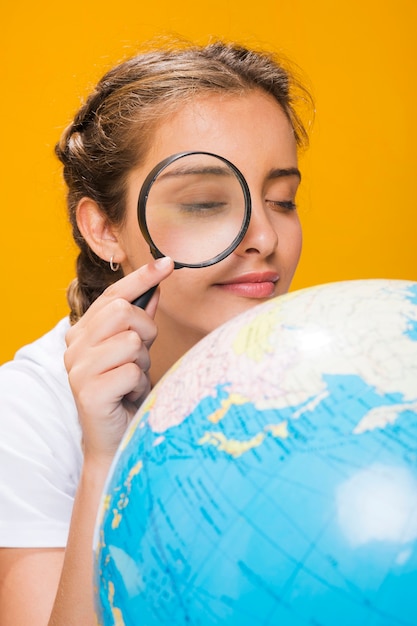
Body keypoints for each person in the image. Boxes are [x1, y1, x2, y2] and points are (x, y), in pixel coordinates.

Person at [0, 39, 312, 624]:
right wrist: (106, 456)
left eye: (282, 199)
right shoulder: (25, 413)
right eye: (203, 203)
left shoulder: (332, 381)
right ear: (104, 229)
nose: (265, 237)